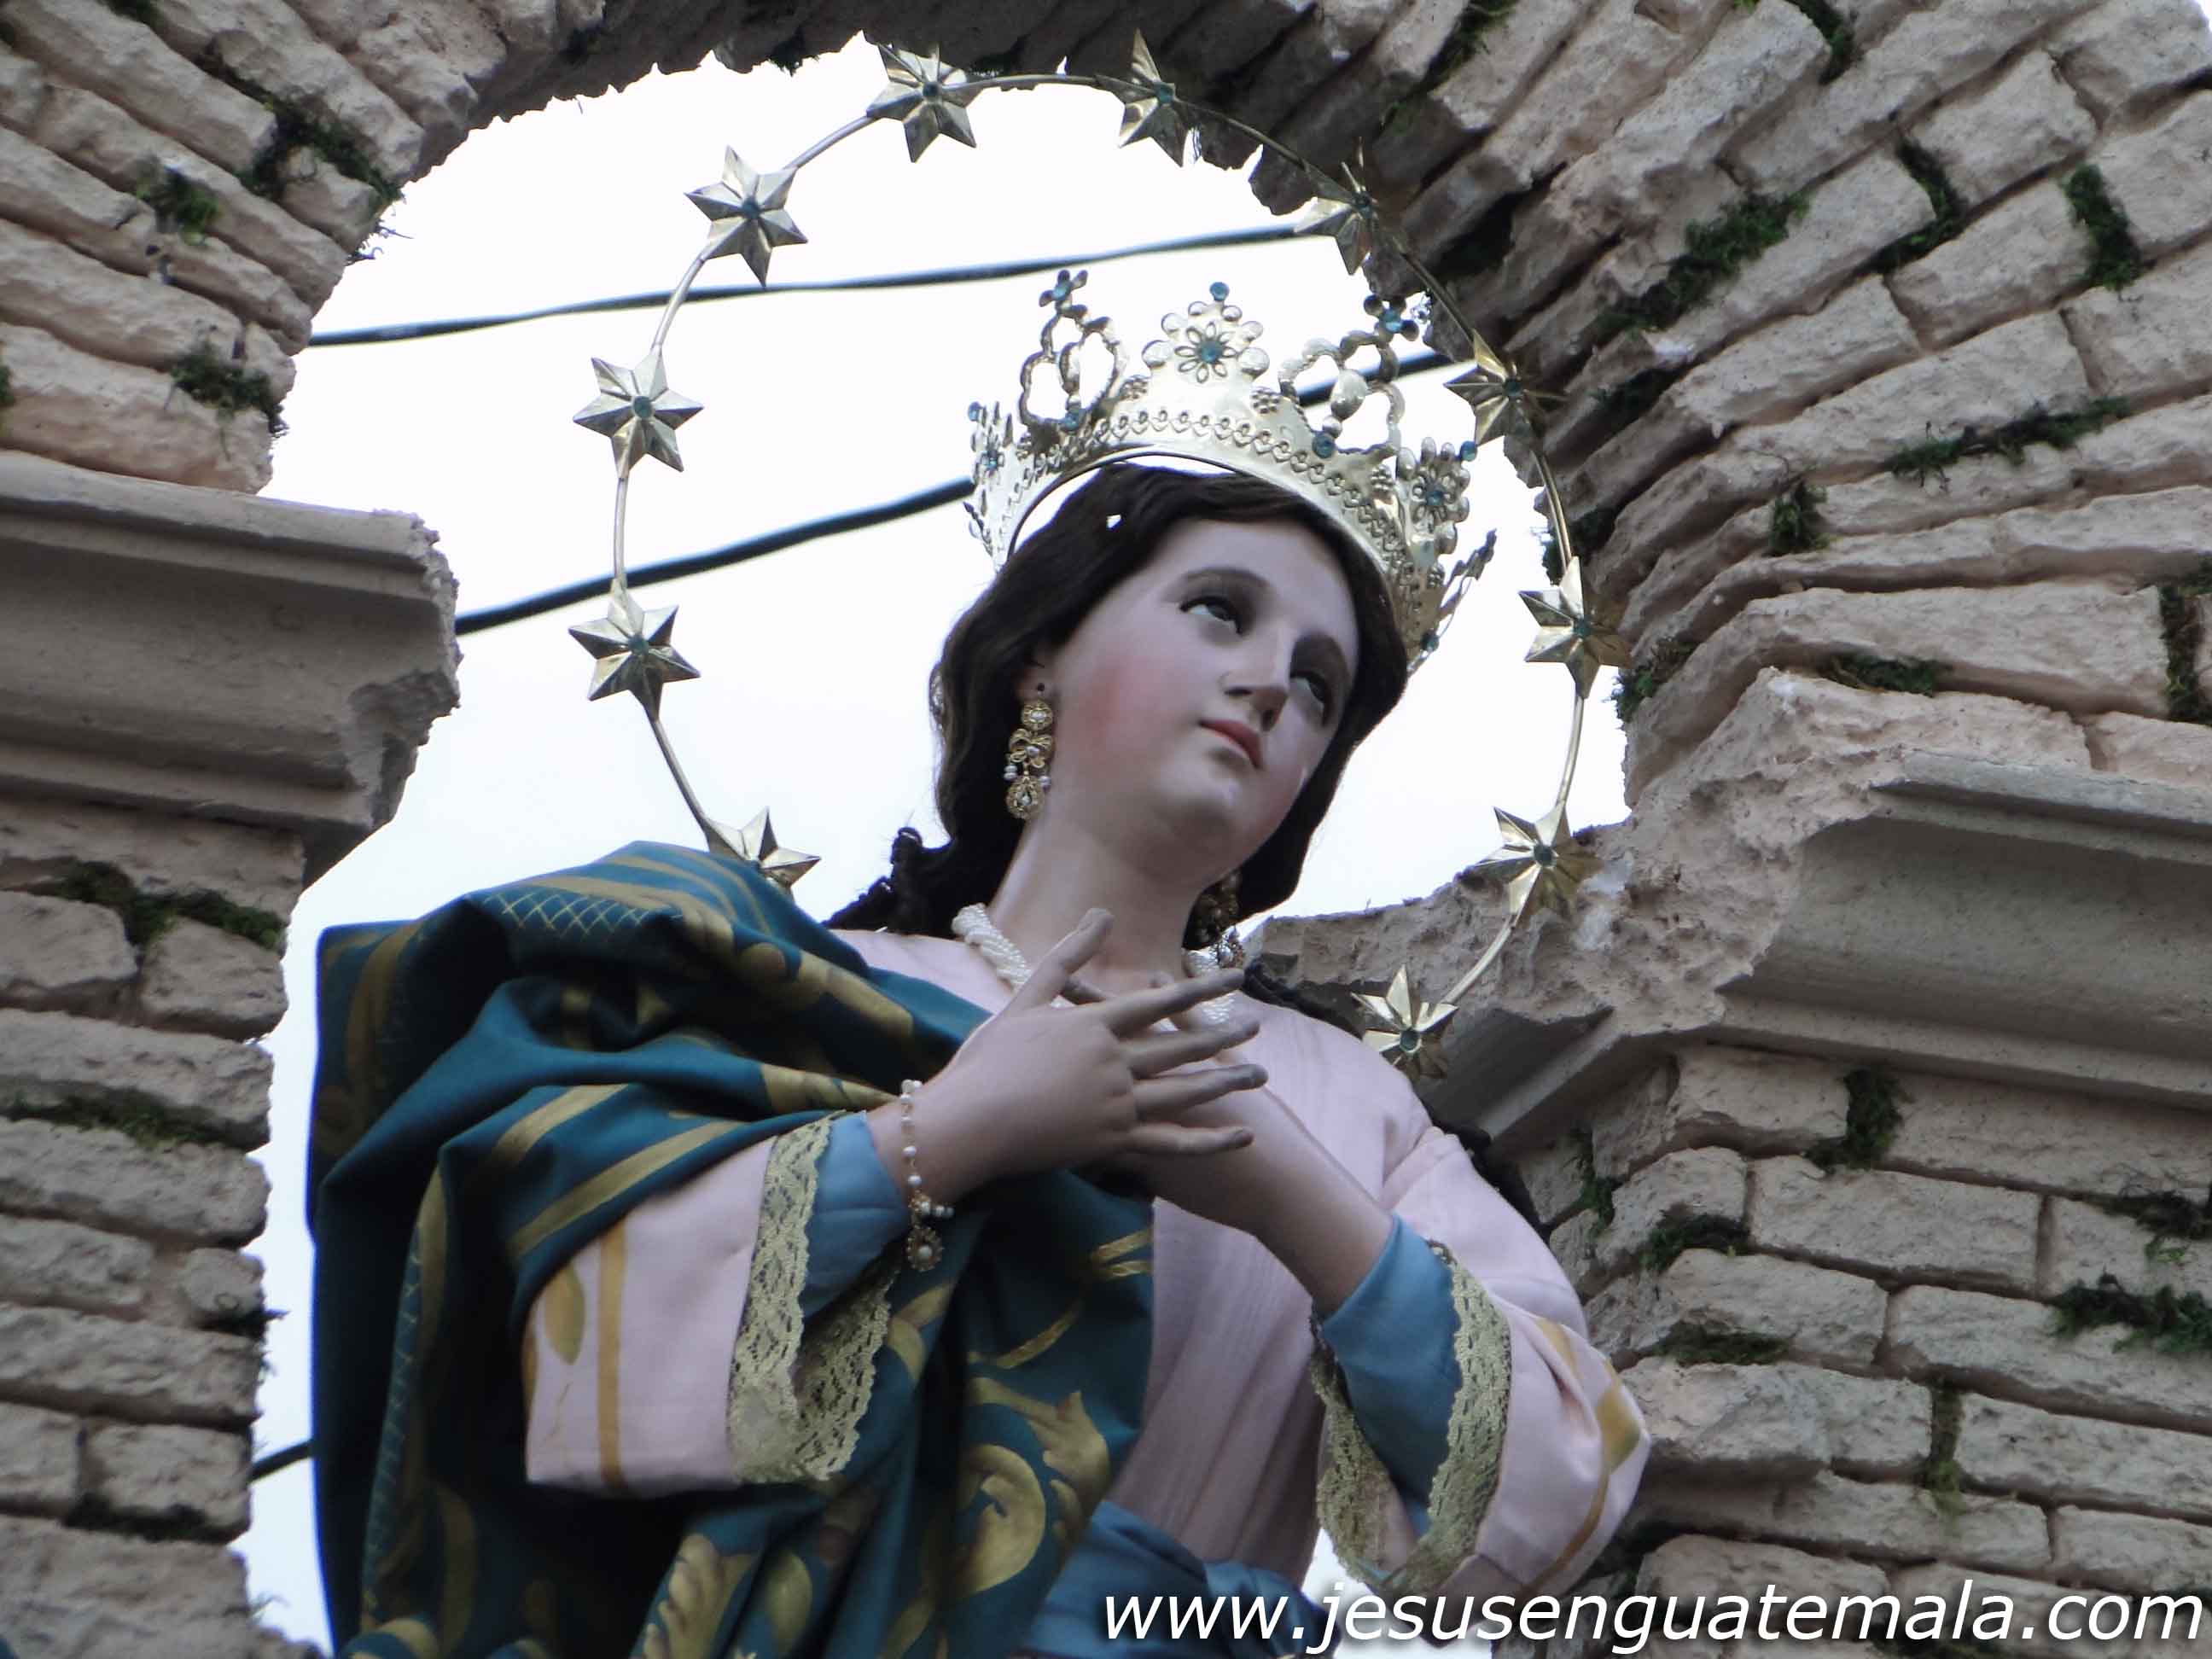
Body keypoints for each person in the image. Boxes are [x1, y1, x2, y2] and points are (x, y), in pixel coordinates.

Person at [305, 463, 1647, 1659]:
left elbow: (1552, 1494)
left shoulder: (1354, 1109)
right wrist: (945, 1137)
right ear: (1041, 657)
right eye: (1220, 612)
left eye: (1317, 685)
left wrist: (1281, 1186)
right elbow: (573, 1346)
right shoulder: (807, 991)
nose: (1268, 687)